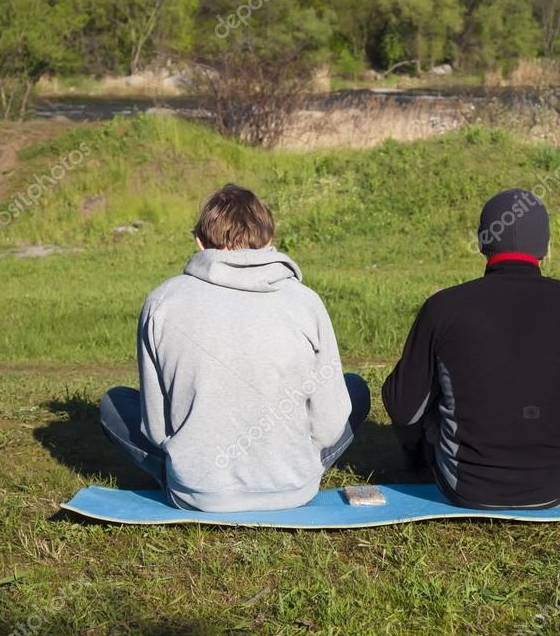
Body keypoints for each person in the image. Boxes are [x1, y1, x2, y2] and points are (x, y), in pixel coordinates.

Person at [99, 184, 370, 512]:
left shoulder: (162, 302)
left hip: (197, 491)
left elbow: (156, 428)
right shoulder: (305, 302)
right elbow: (329, 424)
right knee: (354, 389)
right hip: (294, 487)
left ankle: (196, 479)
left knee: (115, 403)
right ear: (269, 240)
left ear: (199, 242)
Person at [382, 188, 560, 509]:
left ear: (483, 242)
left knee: (431, 389)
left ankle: (417, 462)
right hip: (559, 487)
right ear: (544, 247)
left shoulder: (443, 307)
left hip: (466, 487)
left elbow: (403, 407)